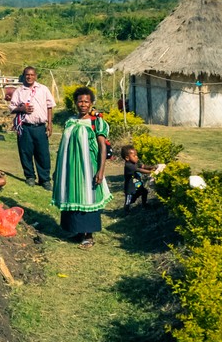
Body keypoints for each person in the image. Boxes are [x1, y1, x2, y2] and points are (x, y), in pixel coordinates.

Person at [52, 86, 112, 248]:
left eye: (86, 101)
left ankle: (88, 235)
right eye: (80, 101)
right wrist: (58, 170)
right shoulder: (70, 121)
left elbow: (102, 147)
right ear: (75, 103)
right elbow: (64, 146)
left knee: (87, 196)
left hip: (88, 167)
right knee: (73, 195)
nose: (83, 104)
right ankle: (76, 230)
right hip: (70, 168)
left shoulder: (97, 122)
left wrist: (100, 170)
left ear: (91, 103)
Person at [8, 66, 55, 188]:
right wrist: (21, 109)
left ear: (36, 76)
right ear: (24, 76)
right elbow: (12, 108)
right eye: (27, 75)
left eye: (32, 75)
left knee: (43, 153)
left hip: (40, 127)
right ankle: (30, 177)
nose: (29, 77)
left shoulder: (43, 89)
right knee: (25, 152)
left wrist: (50, 124)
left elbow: (50, 106)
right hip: (24, 127)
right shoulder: (19, 91)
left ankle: (45, 179)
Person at [120, 145, 151, 213]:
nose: (136, 157)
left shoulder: (134, 163)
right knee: (129, 201)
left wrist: (153, 167)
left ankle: (144, 205)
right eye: (134, 156)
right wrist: (151, 172)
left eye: (136, 155)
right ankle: (126, 211)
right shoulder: (129, 166)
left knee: (144, 192)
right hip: (130, 188)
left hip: (137, 186)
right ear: (127, 158)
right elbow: (139, 170)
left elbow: (143, 166)